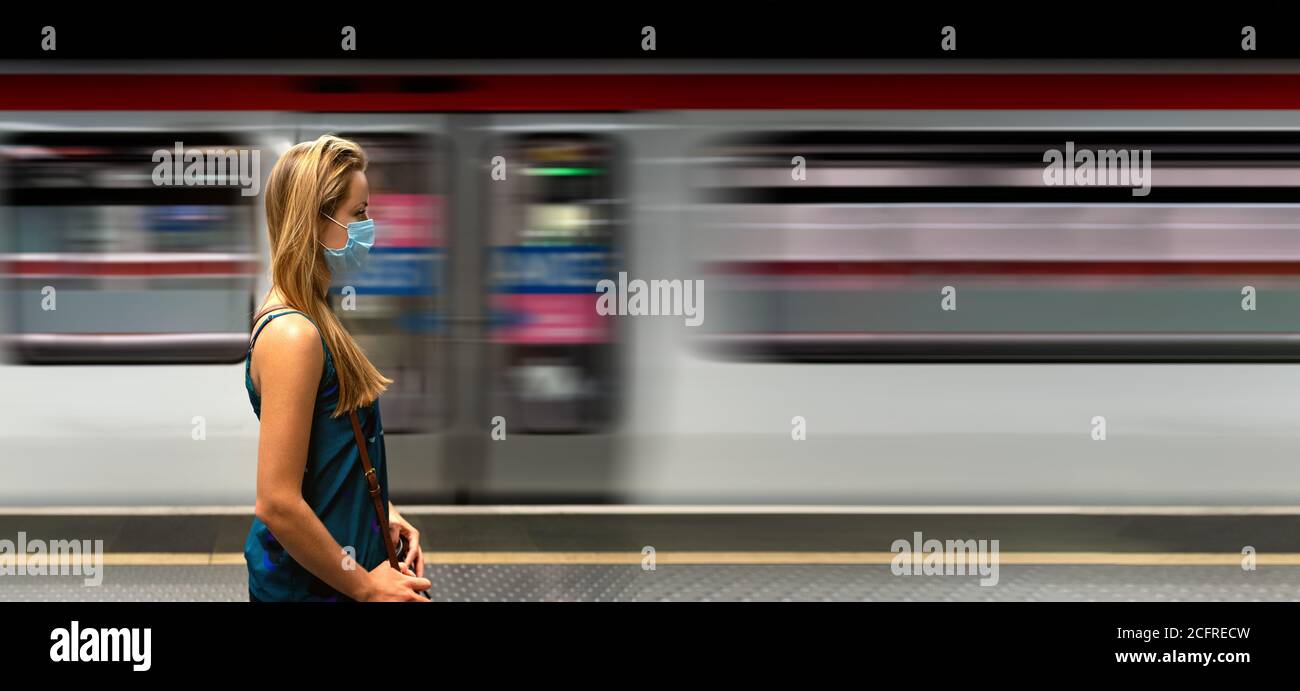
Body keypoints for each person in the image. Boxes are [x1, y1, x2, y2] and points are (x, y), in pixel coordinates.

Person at [244, 134, 431, 602]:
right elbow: (278, 503)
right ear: (315, 222)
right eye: (359, 213)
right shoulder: (293, 335)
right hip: (314, 590)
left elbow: (328, 458)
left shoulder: (315, 315)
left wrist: (380, 509)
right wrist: (366, 587)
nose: (370, 226)